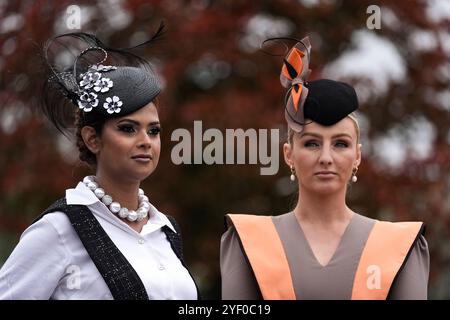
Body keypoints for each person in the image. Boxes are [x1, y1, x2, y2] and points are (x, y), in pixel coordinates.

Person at [220, 37, 429, 300]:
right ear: (289, 155)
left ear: (357, 156)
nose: (326, 157)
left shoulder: (400, 245)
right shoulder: (248, 240)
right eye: (311, 144)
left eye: (341, 144)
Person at [0, 25, 199, 300]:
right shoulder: (59, 229)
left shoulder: (166, 230)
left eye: (153, 131)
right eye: (128, 129)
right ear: (93, 139)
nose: (146, 141)